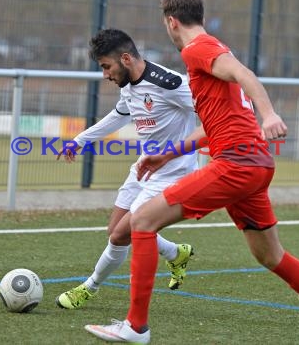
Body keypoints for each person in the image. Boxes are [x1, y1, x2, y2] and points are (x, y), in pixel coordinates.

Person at [84, 0, 299, 345]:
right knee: (271, 255)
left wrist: (269, 114)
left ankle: (136, 327)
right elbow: (211, 127)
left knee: (141, 221)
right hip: (254, 165)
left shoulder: (199, 49)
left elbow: (244, 74)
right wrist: (167, 153)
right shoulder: (207, 51)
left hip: (237, 163)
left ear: (172, 22)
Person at [55, 28, 197, 309]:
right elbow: (118, 116)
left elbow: (209, 108)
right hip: (142, 171)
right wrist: (80, 141)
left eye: (107, 67)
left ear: (126, 59)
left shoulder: (169, 83)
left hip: (171, 175)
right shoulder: (129, 86)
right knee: (115, 230)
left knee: (121, 235)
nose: (105, 74)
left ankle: (88, 288)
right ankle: (176, 253)